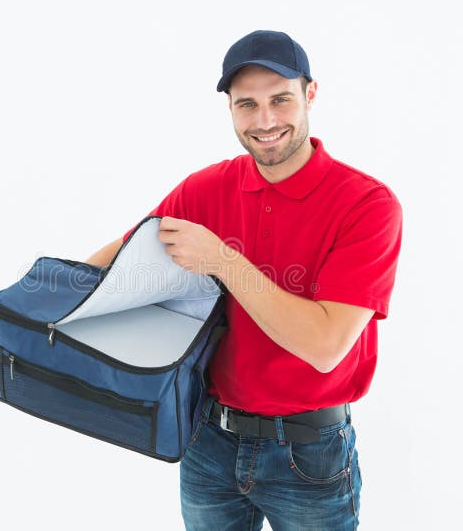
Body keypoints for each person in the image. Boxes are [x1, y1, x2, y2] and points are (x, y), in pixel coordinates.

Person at [86, 30, 402, 531]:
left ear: (310, 95)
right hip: (206, 441)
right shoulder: (207, 188)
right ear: (230, 110)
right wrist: (59, 298)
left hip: (308, 453)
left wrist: (223, 260)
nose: (265, 121)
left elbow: (324, 345)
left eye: (280, 100)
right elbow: (121, 259)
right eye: (246, 105)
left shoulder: (366, 205)